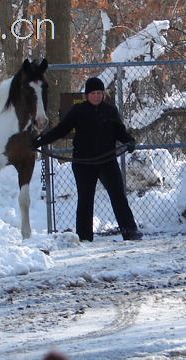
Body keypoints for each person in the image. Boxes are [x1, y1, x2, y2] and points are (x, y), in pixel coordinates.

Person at [32, 77, 142, 242]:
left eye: (99, 93)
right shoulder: (78, 111)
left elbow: (120, 131)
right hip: (84, 164)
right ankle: (84, 237)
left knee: (118, 196)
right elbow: (61, 130)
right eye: (93, 93)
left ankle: (130, 231)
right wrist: (41, 141)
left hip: (107, 161)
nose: (97, 96)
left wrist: (129, 140)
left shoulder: (110, 111)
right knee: (85, 199)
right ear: (87, 95)